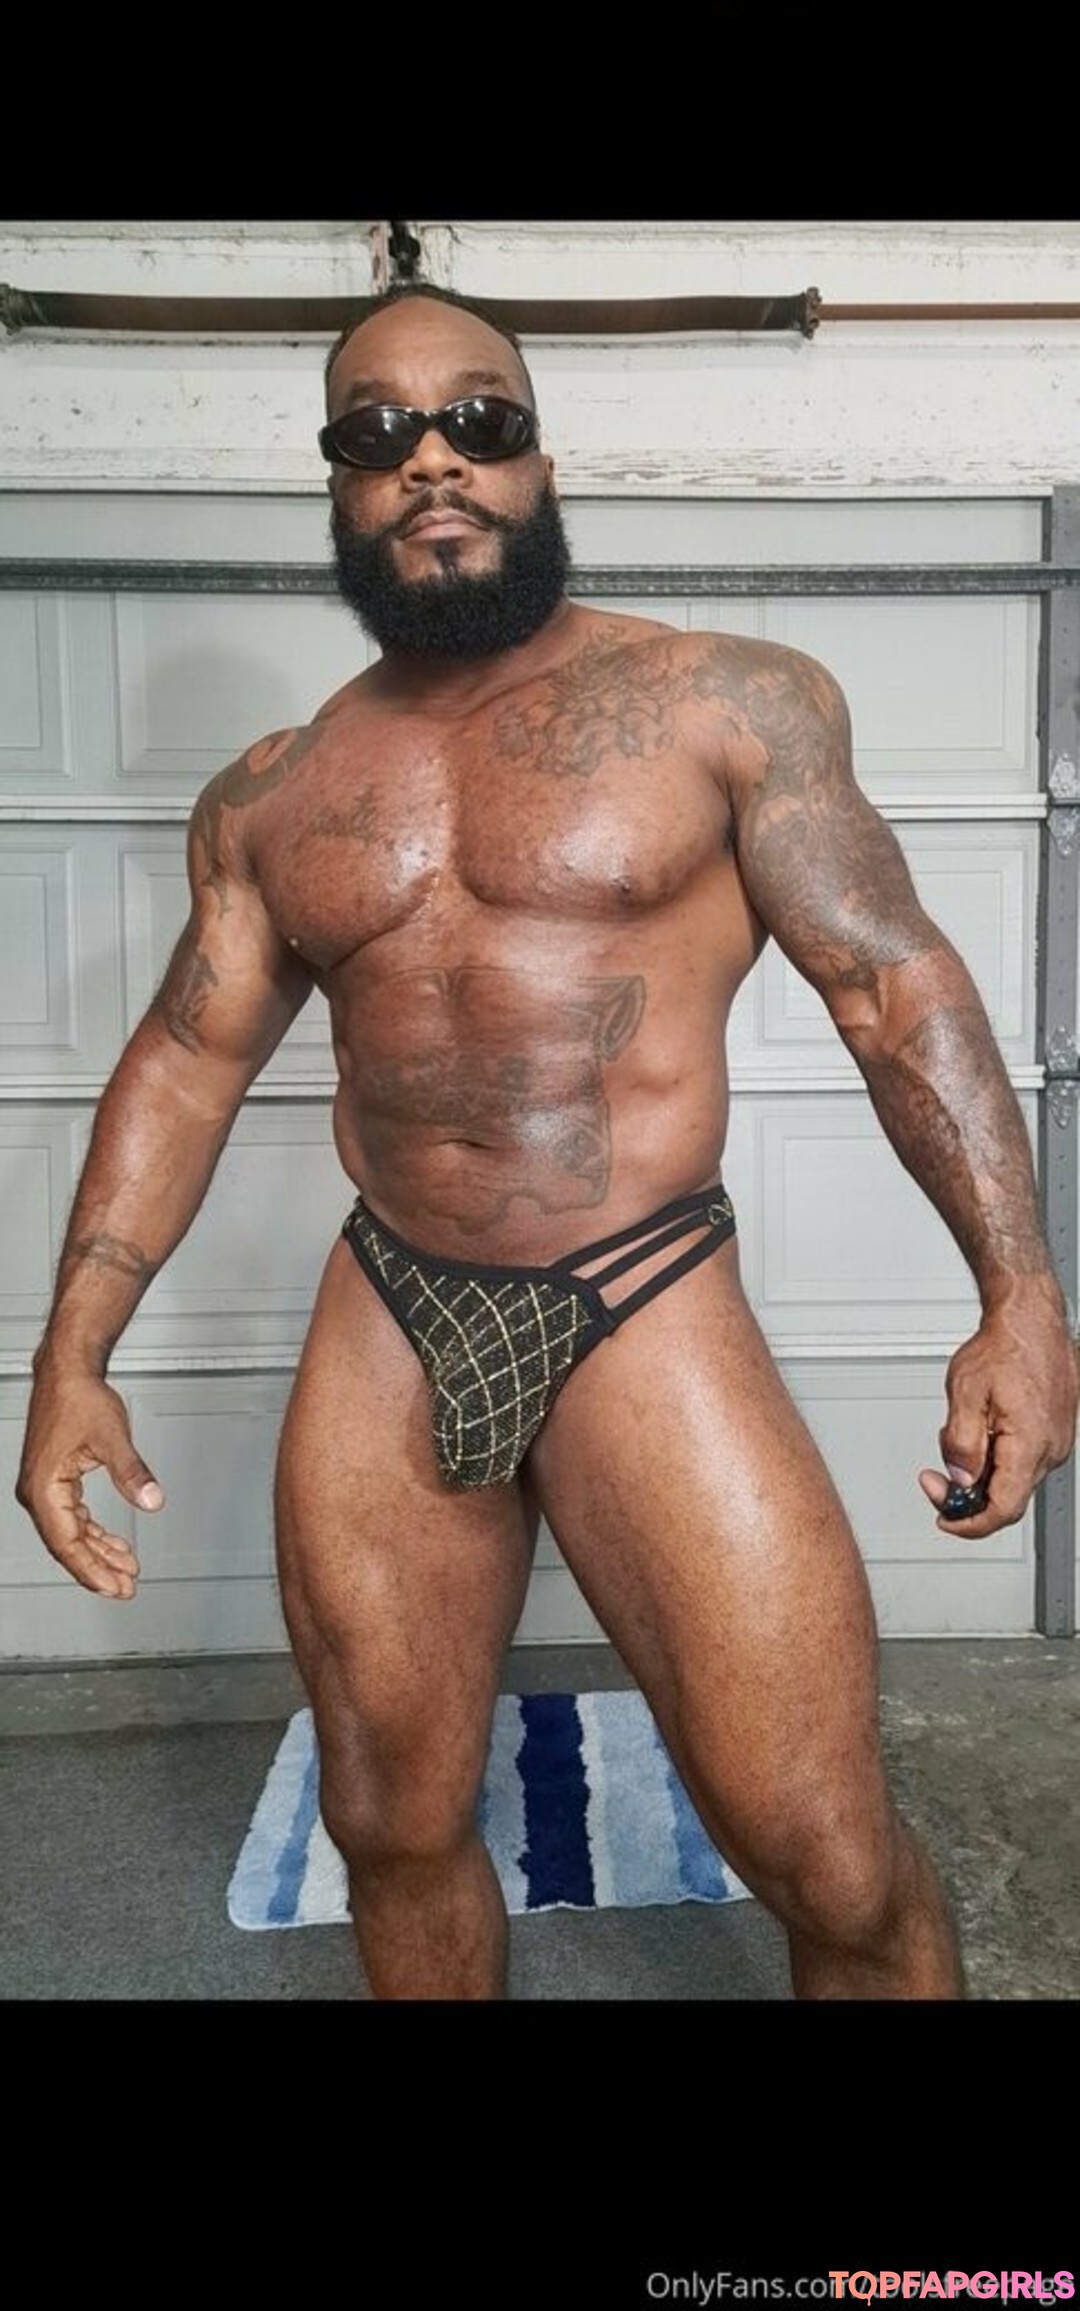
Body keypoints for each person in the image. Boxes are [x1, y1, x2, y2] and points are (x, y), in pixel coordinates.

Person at [16, 282, 1078, 2001]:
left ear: (540, 460)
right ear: (339, 481)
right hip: (393, 1300)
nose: (432, 459)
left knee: (824, 1849)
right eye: (379, 432)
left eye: (479, 421)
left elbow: (893, 991)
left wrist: (1019, 1294)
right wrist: (72, 1355)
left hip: (637, 1287)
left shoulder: (727, 702)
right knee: (388, 1815)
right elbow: (187, 1061)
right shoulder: (274, 793)